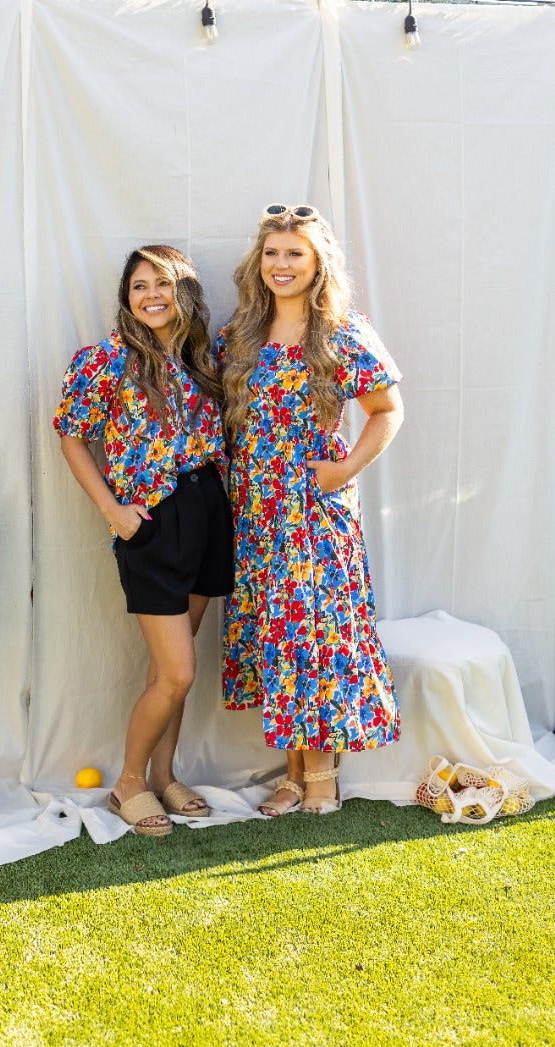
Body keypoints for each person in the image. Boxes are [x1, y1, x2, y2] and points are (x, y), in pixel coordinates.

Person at [217, 204, 404, 816]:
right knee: (281, 635)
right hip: (256, 512)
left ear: (318, 262)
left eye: (294, 253)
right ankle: (294, 773)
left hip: (315, 510)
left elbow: (387, 411)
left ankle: (322, 773)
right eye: (272, 253)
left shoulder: (343, 332)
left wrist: (344, 470)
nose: (281, 264)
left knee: (317, 633)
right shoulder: (240, 336)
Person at [54, 245, 233, 836]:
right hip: (151, 519)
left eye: (163, 284)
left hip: (208, 508)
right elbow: (72, 438)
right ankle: (128, 783)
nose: (151, 295)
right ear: (126, 297)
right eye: (139, 286)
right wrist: (113, 511)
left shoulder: (203, 358)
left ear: (185, 293)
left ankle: (164, 773)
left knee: (170, 669)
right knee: (178, 672)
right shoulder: (105, 359)